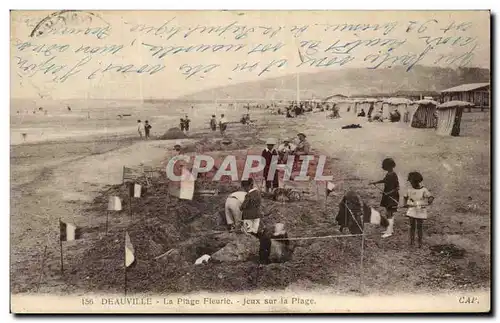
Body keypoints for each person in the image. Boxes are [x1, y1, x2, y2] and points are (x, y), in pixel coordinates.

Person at [239, 178, 270, 265]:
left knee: (249, 233)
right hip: (256, 216)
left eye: (244, 187)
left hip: (249, 217)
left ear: (247, 186)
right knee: (257, 232)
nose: (244, 189)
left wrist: (241, 207)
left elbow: (243, 206)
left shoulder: (249, 195)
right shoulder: (257, 193)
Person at [369, 158, 399, 238]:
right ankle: (390, 229)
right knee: (388, 213)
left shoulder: (393, 174)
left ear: (389, 166)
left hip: (392, 196)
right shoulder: (389, 174)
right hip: (387, 196)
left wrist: (389, 193)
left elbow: (397, 187)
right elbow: (385, 180)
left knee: (389, 214)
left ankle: (389, 232)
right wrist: (375, 182)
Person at [403, 172, 434, 247]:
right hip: (412, 209)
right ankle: (412, 241)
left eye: (413, 182)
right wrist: (405, 204)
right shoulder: (409, 190)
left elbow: (430, 196)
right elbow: (405, 197)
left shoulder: (423, 190)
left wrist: (430, 200)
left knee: (419, 226)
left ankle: (420, 241)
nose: (412, 184)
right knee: (412, 226)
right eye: (411, 182)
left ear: (417, 182)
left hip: (420, 210)